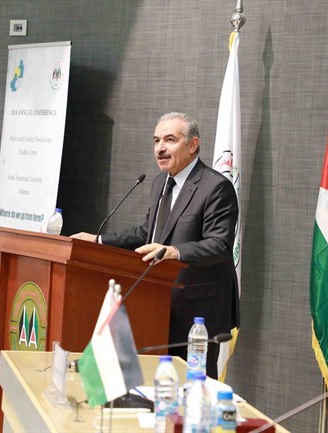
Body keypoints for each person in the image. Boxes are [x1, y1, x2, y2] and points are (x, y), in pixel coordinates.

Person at [73, 112, 239, 379]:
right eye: (156, 140)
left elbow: (219, 244)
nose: (160, 148)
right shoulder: (161, 182)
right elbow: (147, 234)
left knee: (193, 384)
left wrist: (175, 251)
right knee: (159, 381)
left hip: (197, 310)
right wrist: (98, 240)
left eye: (169, 140)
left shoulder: (216, 187)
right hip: (157, 302)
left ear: (193, 144)